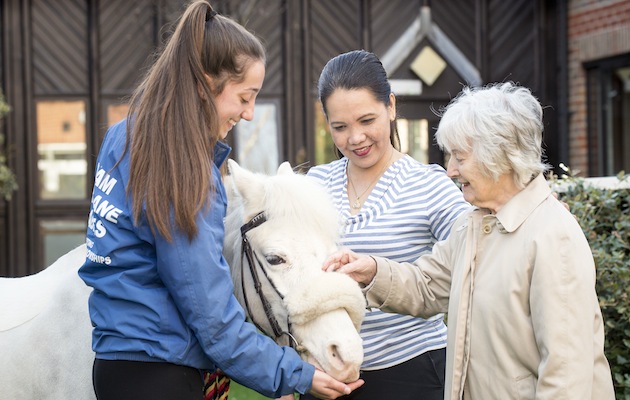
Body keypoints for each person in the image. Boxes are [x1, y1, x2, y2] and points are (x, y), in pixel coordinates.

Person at [78, 2, 363, 399]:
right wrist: (296, 374)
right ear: (203, 83)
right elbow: (210, 314)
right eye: (245, 97)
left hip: (117, 364)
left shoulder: (124, 137)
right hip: (162, 372)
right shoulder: (185, 170)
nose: (248, 114)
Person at [324, 82, 616, 399]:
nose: (450, 170)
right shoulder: (473, 225)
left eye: (460, 158)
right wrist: (371, 272)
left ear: (501, 156)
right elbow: (427, 285)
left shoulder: (552, 235)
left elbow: (567, 375)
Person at [299, 50, 470, 400]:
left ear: (390, 106)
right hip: (328, 375)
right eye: (340, 127)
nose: (355, 138)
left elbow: (474, 253)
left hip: (413, 372)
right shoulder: (313, 186)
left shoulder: (428, 185)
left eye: (366, 120)